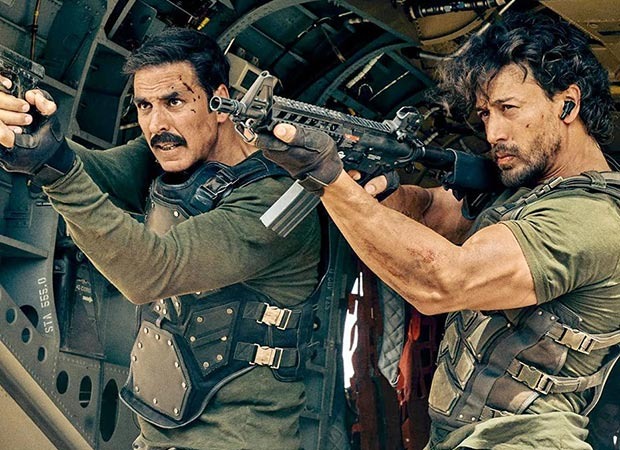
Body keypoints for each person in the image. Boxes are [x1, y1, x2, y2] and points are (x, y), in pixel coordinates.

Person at [258, 11, 620, 450]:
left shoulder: (592, 217)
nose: (493, 132)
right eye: (485, 114)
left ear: (568, 104)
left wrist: (330, 181)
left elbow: (444, 280)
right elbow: (431, 210)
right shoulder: (527, 191)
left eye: (508, 109)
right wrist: (375, 184)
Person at [0, 28, 321, 450]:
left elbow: (152, 273)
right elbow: (94, 171)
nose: (157, 125)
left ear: (220, 101)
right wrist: (33, 131)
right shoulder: (172, 156)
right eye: (144, 106)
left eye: (174, 102)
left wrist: (55, 169)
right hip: (156, 438)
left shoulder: (275, 200)